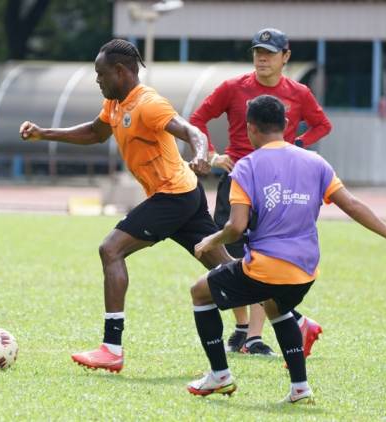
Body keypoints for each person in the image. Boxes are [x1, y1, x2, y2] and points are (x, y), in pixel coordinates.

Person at [187, 95, 386, 402]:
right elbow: (352, 205)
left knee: (199, 292)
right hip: (305, 271)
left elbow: (235, 226)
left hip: (266, 267)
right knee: (276, 304)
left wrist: (211, 241)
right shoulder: (316, 162)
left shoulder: (246, 167)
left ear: (249, 129)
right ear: (287, 125)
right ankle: (299, 388)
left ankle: (219, 376)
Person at [19, 39, 233, 373]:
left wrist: (202, 156)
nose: (97, 80)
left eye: (100, 74)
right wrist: (43, 133)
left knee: (111, 249)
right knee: (228, 269)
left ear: (120, 72)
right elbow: (94, 132)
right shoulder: (116, 104)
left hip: (172, 196)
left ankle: (111, 348)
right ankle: (296, 320)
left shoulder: (148, 103)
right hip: (183, 195)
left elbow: (193, 133)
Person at [190, 28, 333, 356]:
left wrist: (298, 145)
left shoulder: (299, 93)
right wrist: (211, 154)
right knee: (226, 253)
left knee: (263, 257)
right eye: (257, 51)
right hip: (238, 180)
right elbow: (198, 119)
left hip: (276, 185)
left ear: (286, 57)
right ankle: (246, 326)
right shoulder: (233, 88)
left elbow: (322, 125)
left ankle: (254, 337)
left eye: (269, 52)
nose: (262, 58)